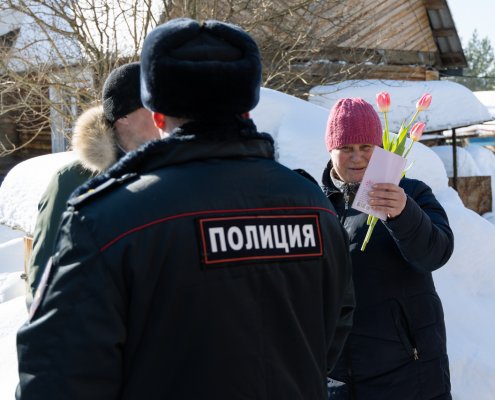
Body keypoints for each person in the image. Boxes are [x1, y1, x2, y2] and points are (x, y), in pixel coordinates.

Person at [17, 18, 354, 400]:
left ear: (158, 116)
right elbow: (332, 330)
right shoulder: (314, 207)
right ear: (246, 108)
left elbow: (58, 375)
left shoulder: (107, 218)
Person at [322, 98, 454, 400]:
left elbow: (436, 253)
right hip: (338, 377)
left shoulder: (411, 193)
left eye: (366, 147)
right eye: (346, 148)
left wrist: (404, 214)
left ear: (380, 147)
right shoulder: (316, 205)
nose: (357, 158)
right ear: (330, 149)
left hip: (407, 372)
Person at [25, 62, 159, 309]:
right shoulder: (72, 180)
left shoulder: (168, 170)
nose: (162, 115)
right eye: (152, 107)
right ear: (124, 116)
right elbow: (46, 272)